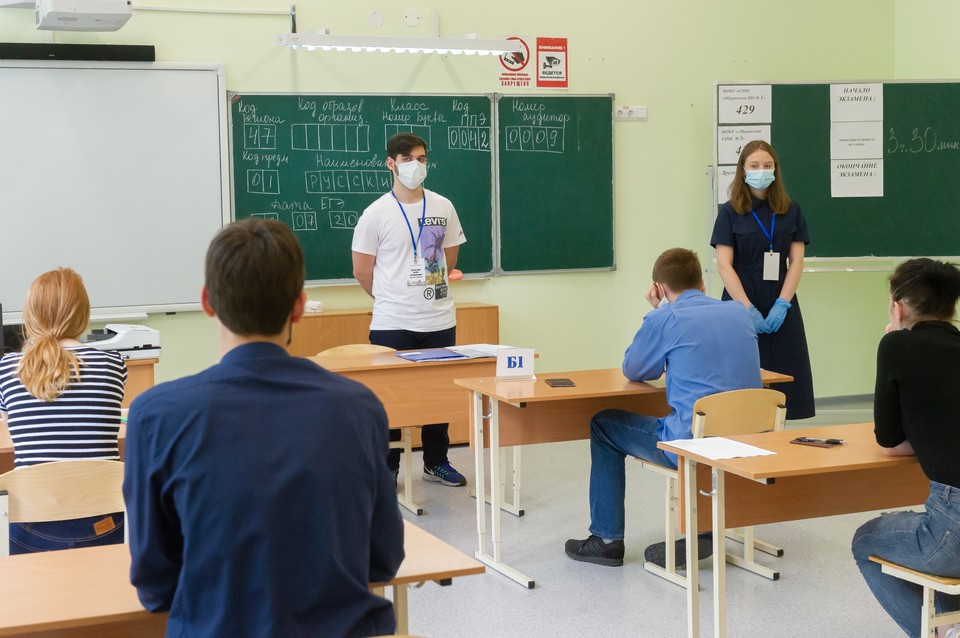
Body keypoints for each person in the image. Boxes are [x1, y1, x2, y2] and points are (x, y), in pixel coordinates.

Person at [124, 218, 405, 637]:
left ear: (207, 301)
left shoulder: (155, 416)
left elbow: (154, 582)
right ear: (299, 306)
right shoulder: (359, 408)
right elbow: (383, 559)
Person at [564, 248, 762, 566]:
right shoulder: (739, 312)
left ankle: (605, 540)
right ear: (702, 283)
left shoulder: (665, 318)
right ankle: (704, 530)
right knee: (701, 422)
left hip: (693, 446)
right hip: (749, 442)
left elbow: (635, 369)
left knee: (603, 424)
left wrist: (659, 311)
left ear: (658, 288)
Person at [352, 131, 468, 488]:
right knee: (390, 398)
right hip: (392, 322)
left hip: (439, 318)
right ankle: (388, 467)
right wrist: (391, 298)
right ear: (391, 163)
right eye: (407, 159)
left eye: (421, 159)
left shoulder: (443, 206)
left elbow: (449, 258)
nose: (415, 166)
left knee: (437, 394)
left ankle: (436, 461)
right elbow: (362, 270)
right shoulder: (376, 214)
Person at [851, 258, 960, 638]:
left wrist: (895, 338)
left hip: (953, 530)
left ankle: (935, 633)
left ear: (897, 308)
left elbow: (890, 443)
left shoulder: (897, 345)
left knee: (865, 541)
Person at [0, 268, 127, 554]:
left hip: (31, 528)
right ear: (82, 314)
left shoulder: (7, 369)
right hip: (104, 525)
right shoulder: (113, 364)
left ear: (31, 315)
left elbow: (13, 427)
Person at [711, 139, 815, 420]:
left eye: (767, 165)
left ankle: (778, 437)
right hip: (740, 301)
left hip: (781, 299)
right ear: (743, 170)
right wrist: (747, 309)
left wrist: (783, 304)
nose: (761, 170)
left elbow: (796, 261)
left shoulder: (791, 210)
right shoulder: (729, 212)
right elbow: (724, 265)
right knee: (742, 377)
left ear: (775, 169)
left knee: (785, 378)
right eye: (754, 165)